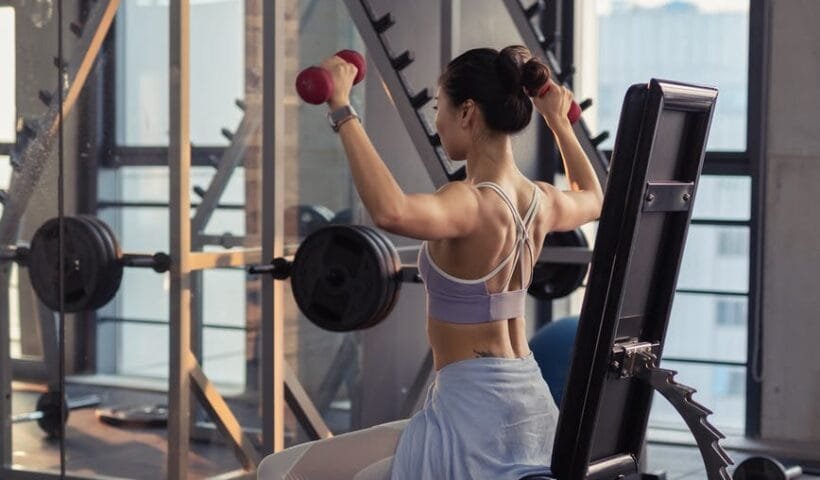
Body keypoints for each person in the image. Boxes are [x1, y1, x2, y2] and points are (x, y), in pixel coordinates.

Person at [257, 45, 603, 480]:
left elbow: (391, 212)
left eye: (440, 107)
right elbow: (594, 198)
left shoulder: (471, 202)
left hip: (473, 417)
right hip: (530, 410)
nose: (438, 123)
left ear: (467, 112)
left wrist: (342, 107)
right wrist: (558, 122)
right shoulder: (541, 199)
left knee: (275, 471)